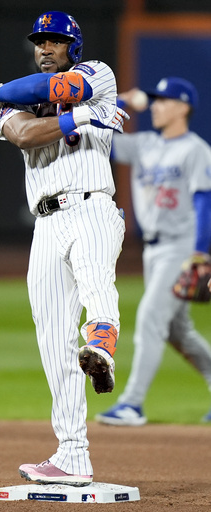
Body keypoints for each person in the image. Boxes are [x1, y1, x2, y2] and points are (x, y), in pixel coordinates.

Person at [0, 11, 128, 485]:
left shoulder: (98, 74)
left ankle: (102, 342)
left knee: (97, 280)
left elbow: (62, 91)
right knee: (54, 342)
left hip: (93, 205)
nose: (46, 48)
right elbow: (23, 133)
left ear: (73, 47)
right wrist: (77, 118)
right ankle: (72, 455)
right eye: (40, 41)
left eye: (56, 41)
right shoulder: (19, 96)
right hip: (45, 225)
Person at [95, 77, 211, 426]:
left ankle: (132, 403)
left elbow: (205, 202)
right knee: (178, 331)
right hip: (152, 250)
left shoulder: (196, 150)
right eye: (156, 99)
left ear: (183, 107)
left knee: (149, 317)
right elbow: (104, 139)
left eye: (165, 100)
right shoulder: (144, 144)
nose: (157, 105)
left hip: (181, 246)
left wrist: (201, 253)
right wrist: (124, 102)